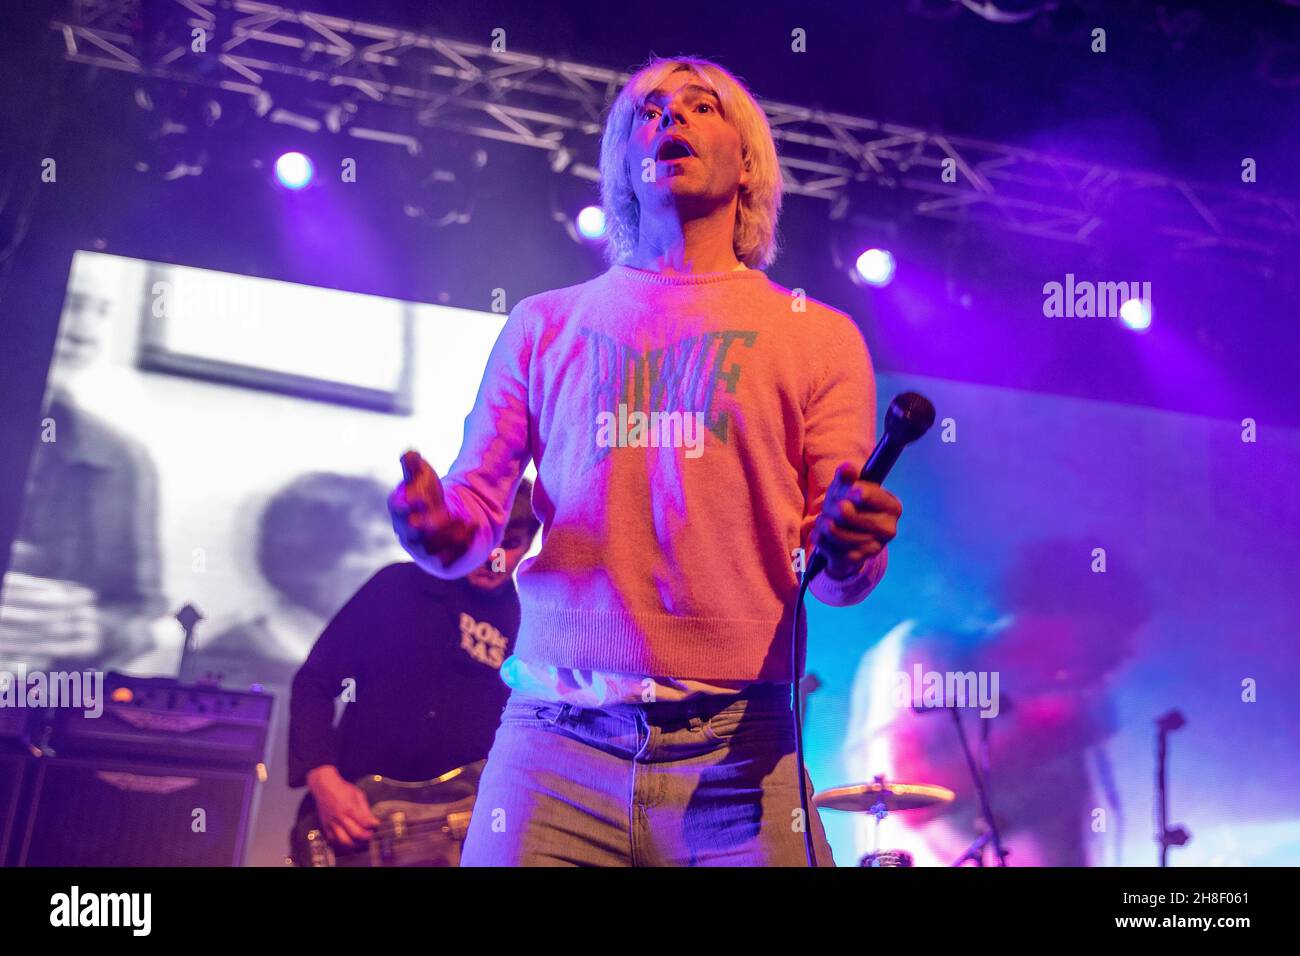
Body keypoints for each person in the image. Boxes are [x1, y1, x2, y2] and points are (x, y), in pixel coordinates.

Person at [389, 55, 903, 866]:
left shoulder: (817, 334)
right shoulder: (543, 324)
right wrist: (431, 528)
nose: (669, 121)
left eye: (700, 107)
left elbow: (835, 578)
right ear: (625, 163)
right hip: (553, 750)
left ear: (748, 163)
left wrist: (851, 543)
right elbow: (471, 526)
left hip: (743, 761)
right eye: (648, 112)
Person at [288, 479, 540, 853]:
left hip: (454, 841)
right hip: (360, 823)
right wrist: (324, 779)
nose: (494, 556)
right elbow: (316, 682)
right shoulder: (397, 585)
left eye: (511, 542)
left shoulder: (529, 628)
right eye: (485, 539)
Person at [185, 471, 403, 866]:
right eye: (373, 542)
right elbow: (313, 685)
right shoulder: (233, 648)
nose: (392, 551)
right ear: (310, 555)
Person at [0, 256, 165, 672]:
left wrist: (95, 631)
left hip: (35, 709)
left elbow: (143, 616)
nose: (85, 333)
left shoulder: (123, 457)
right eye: (70, 302)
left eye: (102, 310)